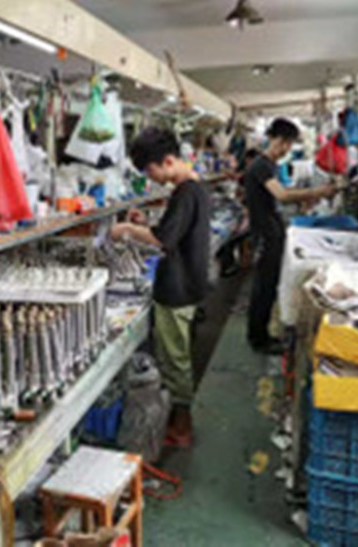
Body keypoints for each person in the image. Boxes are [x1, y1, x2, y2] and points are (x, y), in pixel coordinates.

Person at [110, 127, 210, 447]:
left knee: (174, 360)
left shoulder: (185, 193)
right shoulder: (193, 189)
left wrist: (127, 230)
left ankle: (182, 427)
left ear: (168, 161)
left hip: (177, 290)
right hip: (187, 284)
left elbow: (162, 241)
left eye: (150, 170)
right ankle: (179, 419)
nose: (150, 178)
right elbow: (172, 232)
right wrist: (144, 225)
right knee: (175, 355)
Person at [245, 118, 337, 354]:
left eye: (289, 143)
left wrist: (304, 200)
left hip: (271, 231)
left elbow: (278, 198)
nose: (286, 148)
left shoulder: (270, 166)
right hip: (265, 235)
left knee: (268, 286)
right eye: (284, 142)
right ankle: (258, 339)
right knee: (263, 288)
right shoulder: (261, 165)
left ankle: (262, 334)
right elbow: (282, 195)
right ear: (273, 138)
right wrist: (317, 192)